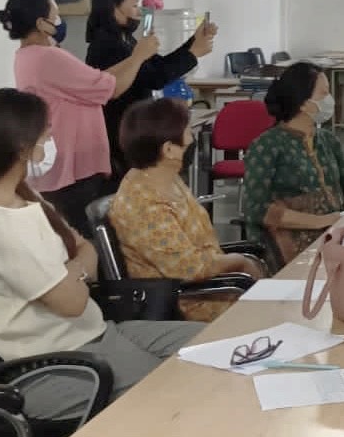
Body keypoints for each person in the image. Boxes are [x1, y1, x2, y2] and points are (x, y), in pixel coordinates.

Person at [0, 88, 203, 422]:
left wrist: (72, 272)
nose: (50, 140)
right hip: (53, 364)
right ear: (20, 146)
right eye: (46, 133)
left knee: (212, 344)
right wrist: (78, 270)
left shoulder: (25, 197)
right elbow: (72, 301)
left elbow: (85, 248)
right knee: (177, 389)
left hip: (94, 334)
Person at [0, 0, 152, 237]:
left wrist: (135, 57)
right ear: (41, 23)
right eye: (55, 15)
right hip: (72, 164)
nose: (60, 21)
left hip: (61, 159)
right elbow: (112, 88)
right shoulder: (50, 57)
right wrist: (139, 57)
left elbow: (99, 79)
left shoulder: (27, 55)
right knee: (84, 236)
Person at [110, 98, 265, 322]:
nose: (192, 138)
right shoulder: (143, 204)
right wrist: (239, 262)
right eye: (187, 132)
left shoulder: (164, 178)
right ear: (169, 149)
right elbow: (189, 269)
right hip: (192, 301)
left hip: (213, 285)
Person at [85, 0, 217, 178]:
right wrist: (193, 53)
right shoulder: (106, 44)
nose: (139, 11)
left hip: (134, 123)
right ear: (115, 7)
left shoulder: (126, 39)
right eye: (134, 5)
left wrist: (193, 43)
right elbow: (154, 77)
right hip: (121, 128)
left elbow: (157, 65)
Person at [242, 61, 344, 261]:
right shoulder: (267, 146)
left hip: (335, 234)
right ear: (303, 103)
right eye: (323, 94)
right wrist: (322, 221)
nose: (330, 100)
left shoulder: (327, 140)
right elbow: (257, 210)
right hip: (291, 244)